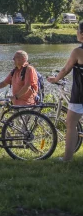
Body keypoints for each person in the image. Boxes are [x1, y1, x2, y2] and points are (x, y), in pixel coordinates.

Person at [47, 23, 83, 161]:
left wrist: (55, 79)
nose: (76, 33)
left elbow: (65, 69)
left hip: (80, 94)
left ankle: (67, 158)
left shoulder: (78, 52)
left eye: (77, 31)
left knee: (71, 123)